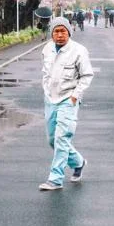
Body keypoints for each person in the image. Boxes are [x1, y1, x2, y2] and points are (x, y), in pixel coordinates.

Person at [39, 16, 94, 191]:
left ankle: (55, 179)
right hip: (50, 99)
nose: (60, 35)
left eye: (63, 31)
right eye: (56, 31)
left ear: (69, 32)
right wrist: (46, 90)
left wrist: (75, 97)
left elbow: (87, 75)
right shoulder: (47, 49)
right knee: (52, 140)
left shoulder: (79, 51)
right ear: (51, 34)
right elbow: (46, 73)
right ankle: (78, 162)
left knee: (62, 138)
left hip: (68, 99)